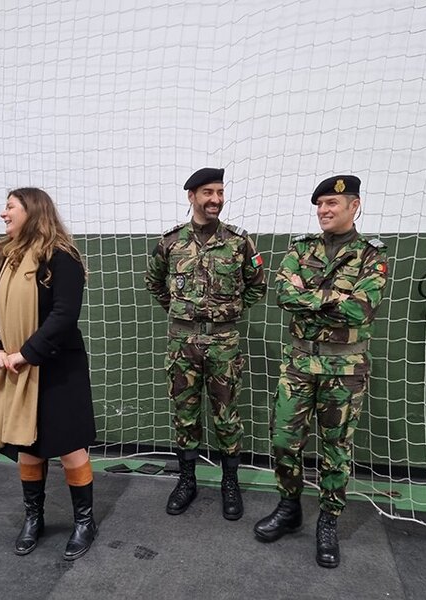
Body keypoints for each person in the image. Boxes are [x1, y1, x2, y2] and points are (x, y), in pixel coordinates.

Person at [253, 175, 388, 568]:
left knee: (335, 449)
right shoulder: (301, 248)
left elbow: (360, 309)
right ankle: (289, 506)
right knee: (283, 440)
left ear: (354, 206)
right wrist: (334, 297)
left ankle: (328, 521)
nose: (324, 210)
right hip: (298, 362)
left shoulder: (371, 255)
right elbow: (283, 294)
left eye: (332, 203)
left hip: (344, 366)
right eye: (320, 204)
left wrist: (308, 296)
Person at [0, 187, 97, 561]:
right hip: (18, 366)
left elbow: (64, 315)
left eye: (10, 207)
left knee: (69, 447)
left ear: (32, 211)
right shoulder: (8, 257)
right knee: (27, 447)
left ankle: (85, 522)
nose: (3, 213)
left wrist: (26, 354)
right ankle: (34, 518)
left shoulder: (62, 257)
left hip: (59, 367)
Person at [145, 167, 266, 520]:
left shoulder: (239, 242)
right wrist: (181, 312)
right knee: (185, 415)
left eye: (220, 192)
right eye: (208, 193)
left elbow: (257, 284)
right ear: (192, 196)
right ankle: (187, 481)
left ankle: (230, 483)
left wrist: (228, 311)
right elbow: (154, 282)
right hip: (182, 341)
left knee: (226, 416)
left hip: (223, 341)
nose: (216, 199)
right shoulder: (170, 242)